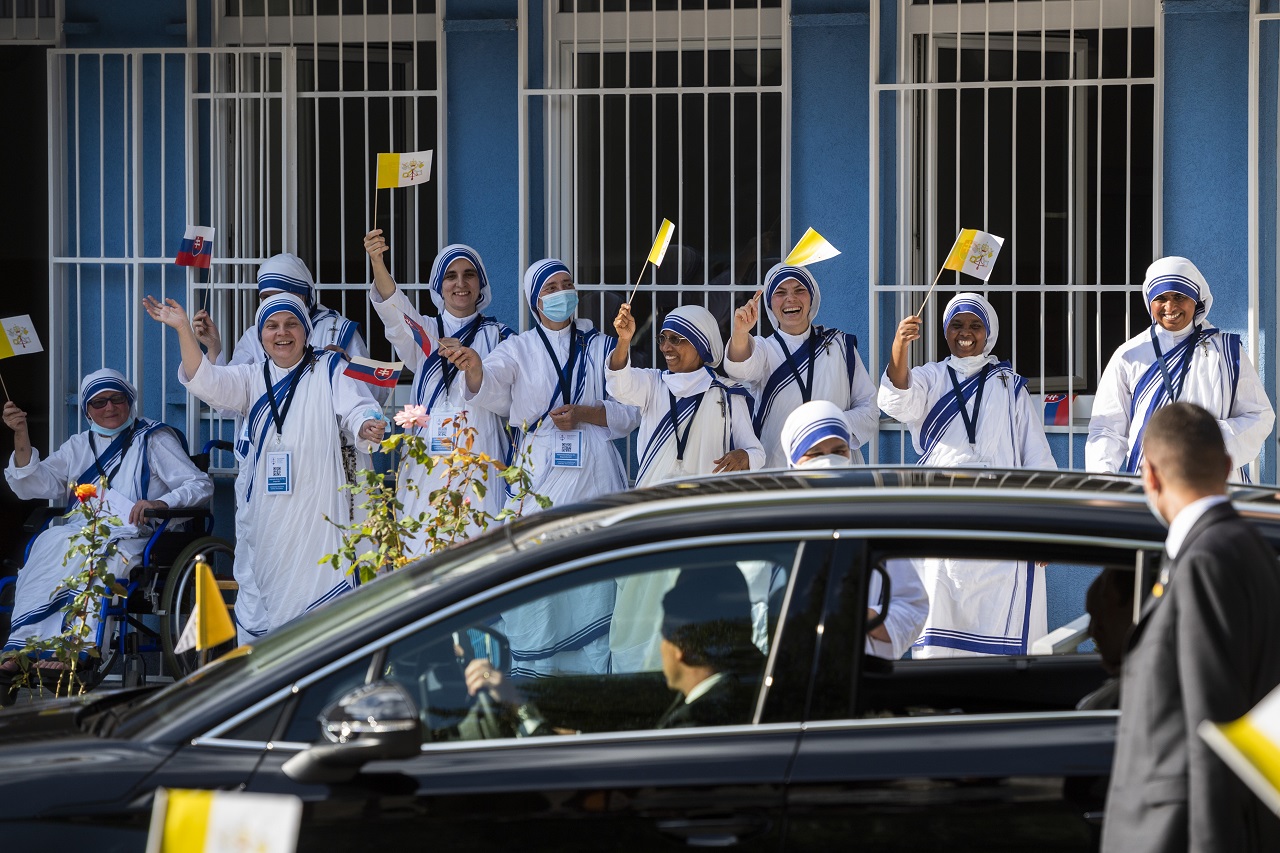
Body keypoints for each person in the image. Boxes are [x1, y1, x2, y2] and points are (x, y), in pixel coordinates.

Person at [145, 292, 386, 636]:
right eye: (271, 326)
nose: (281, 333)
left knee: (321, 608)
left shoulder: (331, 368)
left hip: (320, 513)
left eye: (291, 324)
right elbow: (205, 379)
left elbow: (357, 406)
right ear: (261, 336)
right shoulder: (250, 377)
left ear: (305, 331)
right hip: (271, 518)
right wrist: (184, 329)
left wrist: (366, 424)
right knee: (271, 601)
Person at [446, 258, 640, 675]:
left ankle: (593, 679)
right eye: (550, 288)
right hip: (539, 474)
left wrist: (587, 414)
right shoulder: (518, 347)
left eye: (566, 284)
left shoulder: (602, 345)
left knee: (594, 577)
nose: (560, 293)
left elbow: (631, 414)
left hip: (597, 475)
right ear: (535, 300)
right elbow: (490, 381)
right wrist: (476, 367)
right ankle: (538, 677)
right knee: (537, 573)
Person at [1102, 402, 1280, 852]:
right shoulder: (1248, 549)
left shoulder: (1205, 561)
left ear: (1151, 476)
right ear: (1226, 465)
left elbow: (1214, 741)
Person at [0, 369, 212, 699]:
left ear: (130, 401)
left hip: (137, 534)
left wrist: (159, 501)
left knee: (102, 555)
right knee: (47, 546)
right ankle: (24, 647)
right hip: (83, 530)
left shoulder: (154, 439)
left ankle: (73, 649)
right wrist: (21, 434)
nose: (109, 407)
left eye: (117, 399)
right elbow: (35, 485)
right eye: (99, 402)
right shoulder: (78, 445)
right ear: (87, 410)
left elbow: (199, 485)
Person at [879, 292, 1057, 657]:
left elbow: (1037, 456)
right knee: (940, 603)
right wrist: (899, 347)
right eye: (957, 325)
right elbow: (896, 401)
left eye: (975, 325)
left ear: (988, 333)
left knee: (1002, 622)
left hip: (1001, 519)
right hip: (942, 515)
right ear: (945, 332)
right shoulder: (930, 376)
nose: (966, 333)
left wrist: (1047, 526)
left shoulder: (1009, 384)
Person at [459, 566, 765, 735]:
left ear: (680, 648)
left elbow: (585, 777)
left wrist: (518, 707)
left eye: (661, 637)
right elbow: (627, 706)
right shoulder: (748, 684)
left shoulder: (696, 725)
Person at [363, 231, 515, 551]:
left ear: (480, 284)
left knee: (480, 563)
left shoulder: (502, 337)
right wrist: (377, 261)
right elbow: (394, 307)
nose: (460, 283)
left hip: (482, 466)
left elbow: (508, 403)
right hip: (426, 467)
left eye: (468, 274)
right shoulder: (425, 334)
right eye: (450, 276)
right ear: (439, 286)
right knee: (423, 558)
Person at [1087, 256, 1274, 482]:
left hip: (1212, 479)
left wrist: (1207, 442)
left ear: (1196, 300)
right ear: (1149, 302)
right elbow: (1107, 427)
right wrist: (1103, 477)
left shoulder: (1227, 351)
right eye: (1161, 298)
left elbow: (1259, 415)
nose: (1170, 307)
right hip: (1149, 483)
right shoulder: (1129, 355)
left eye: (1179, 296)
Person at [780, 400, 930, 660]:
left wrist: (855, 616)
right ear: (793, 459)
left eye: (839, 451)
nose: (829, 462)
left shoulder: (874, 521)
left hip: (859, 673)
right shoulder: (770, 525)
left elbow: (912, 607)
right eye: (815, 453)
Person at [723, 262, 878, 467]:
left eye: (799, 290)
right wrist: (741, 333)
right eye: (780, 292)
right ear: (769, 303)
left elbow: (869, 408)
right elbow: (740, 368)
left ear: (811, 297)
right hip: (777, 468)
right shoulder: (764, 349)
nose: (791, 299)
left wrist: (828, 425)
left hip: (836, 465)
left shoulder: (839, 344)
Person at [608, 302, 763, 486]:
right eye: (662, 339)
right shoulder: (654, 383)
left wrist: (744, 456)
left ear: (700, 344)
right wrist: (624, 341)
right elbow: (619, 385)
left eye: (675, 339)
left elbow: (757, 453)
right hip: (653, 505)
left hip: (702, 508)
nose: (665, 347)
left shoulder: (727, 393)